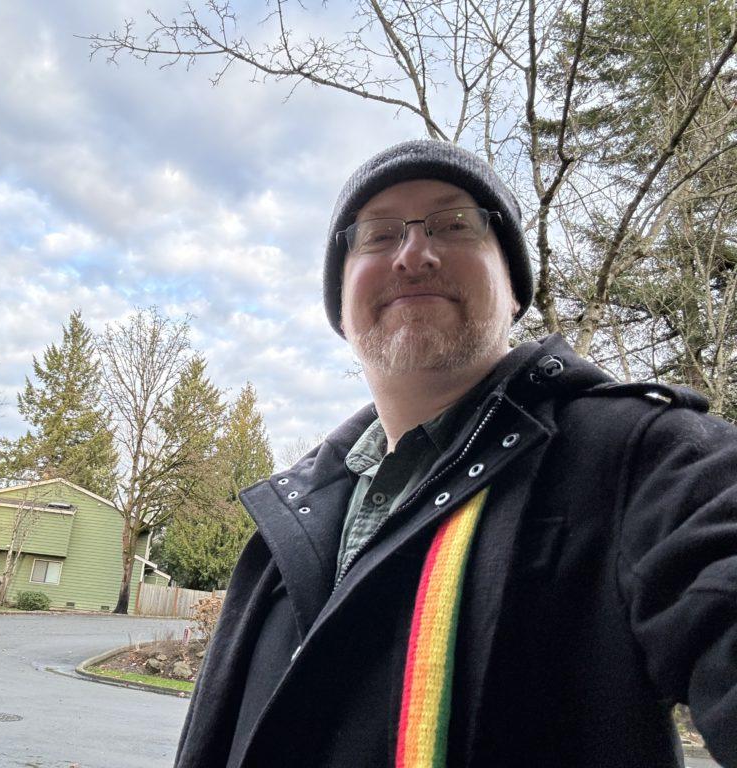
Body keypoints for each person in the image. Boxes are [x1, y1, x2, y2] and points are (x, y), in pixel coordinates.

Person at [174, 140, 737, 768]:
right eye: (378, 235)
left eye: (454, 225)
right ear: (340, 306)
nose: (414, 254)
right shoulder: (284, 531)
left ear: (514, 289)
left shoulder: (640, 457)